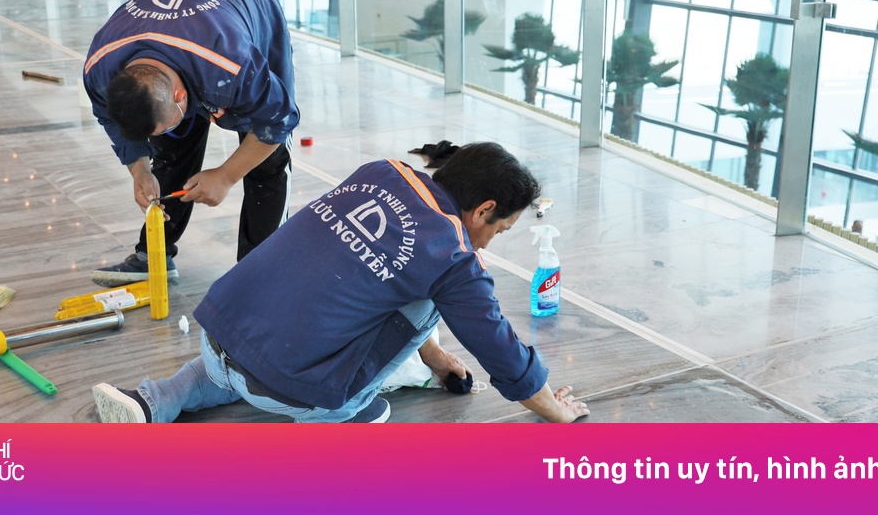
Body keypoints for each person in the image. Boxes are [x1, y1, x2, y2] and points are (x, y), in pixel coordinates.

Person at [92, 142, 590, 423]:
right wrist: (553, 408)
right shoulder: (454, 254)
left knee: (246, 351)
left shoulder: (382, 171)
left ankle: (153, 400)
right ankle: (338, 419)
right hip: (286, 387)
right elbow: (497, 347)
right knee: (440, 292)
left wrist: (436, 358)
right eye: (499, 230)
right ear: (483, 209)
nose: (489, 242)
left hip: (219, 336)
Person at [82, 0, 298, 287]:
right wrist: (140, 171)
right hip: (189, 41)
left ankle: (258, 278)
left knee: (267, 162)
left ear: (181, 95)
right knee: (171, 150)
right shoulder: (100, 70)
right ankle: (153, 255)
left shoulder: (232, 63)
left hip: (251, 15)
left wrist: (226, 176)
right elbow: (111, 121)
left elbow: (278, 119)